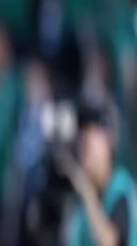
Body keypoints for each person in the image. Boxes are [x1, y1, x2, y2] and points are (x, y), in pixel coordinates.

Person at [63, 101, 137, 246]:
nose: (83, 144)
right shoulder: (81, 198)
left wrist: (87, 192)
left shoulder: (120, 186)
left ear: (108, 141)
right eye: (81, 139)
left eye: (89, 137)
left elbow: (111, 243)